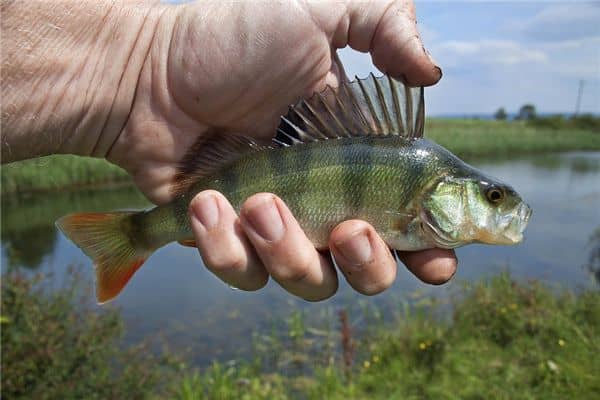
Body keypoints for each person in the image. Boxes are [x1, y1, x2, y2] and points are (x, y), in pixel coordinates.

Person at [1, 0, 456, 301]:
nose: (501, 204)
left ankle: (134, 236)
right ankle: (132, 235)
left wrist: (138, 66)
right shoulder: (419, 172)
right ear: (444, 191)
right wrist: (141, 65)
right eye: (491, 197)